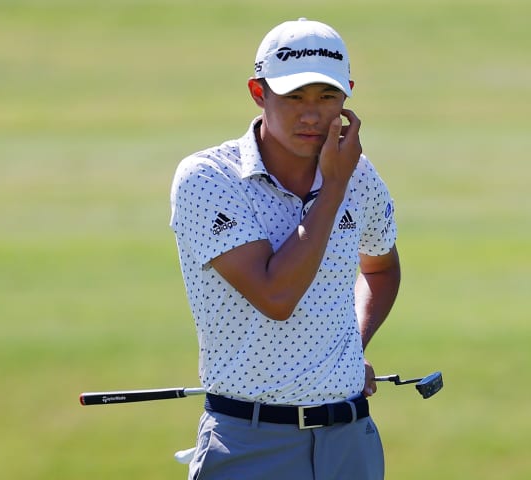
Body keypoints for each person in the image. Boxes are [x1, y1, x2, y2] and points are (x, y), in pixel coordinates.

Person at [169, 18, 400, 480]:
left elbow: (380, 267)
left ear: (347, 96)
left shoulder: (359, 175)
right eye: (294, 97)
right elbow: (276, 296)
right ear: (259, 92)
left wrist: (345, 348)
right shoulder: (208, 179)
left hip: (350, 442)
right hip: (251, 445)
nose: (311, 115)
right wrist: (332, 187)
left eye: (327, 97)